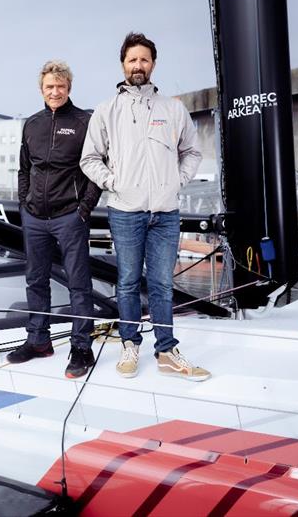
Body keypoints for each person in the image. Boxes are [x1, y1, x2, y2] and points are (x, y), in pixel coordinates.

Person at [80, 32, 210, 381]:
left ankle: (166, 350)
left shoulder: (173, 109)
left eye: (144, 59)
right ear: (123, 64)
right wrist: (112, 182)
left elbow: (192, 151)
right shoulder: (107, 111)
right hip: (125, 210)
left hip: (165, 212)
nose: (138, 65)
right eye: (132, 59)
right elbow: (89, 159)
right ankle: (129, 344)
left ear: (153, 64)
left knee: (162, 284)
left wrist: (178, 180)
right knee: (126, 282)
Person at [7, 60, 102, 379]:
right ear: (41, 89)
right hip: (34, 216)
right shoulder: (31, 124)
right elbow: (24, 169)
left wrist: (84, 209)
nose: (55, 91)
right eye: (50, 87)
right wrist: (24, 203)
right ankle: (38, 341)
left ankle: (81, 347)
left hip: (69, 216)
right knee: (35, 279)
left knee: (78, 283)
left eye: (60, 86)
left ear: (69, 88)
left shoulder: (84, 121)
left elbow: (97, 168)